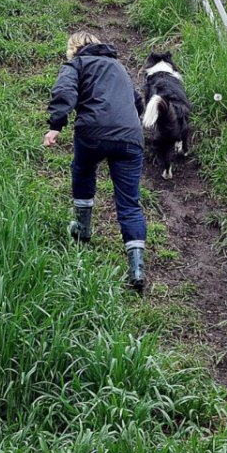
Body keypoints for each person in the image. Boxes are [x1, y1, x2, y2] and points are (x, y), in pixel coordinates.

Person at [43, 31, 148, 290]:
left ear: (73, 49)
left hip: (93, 131)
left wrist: (56, 125)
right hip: (130, 138)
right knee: (130, 203)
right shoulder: (120, 67)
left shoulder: (76, 64)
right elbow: (137, 101)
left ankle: (82, 227)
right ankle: (136, 269)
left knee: (82, 169)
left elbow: (64, 90)